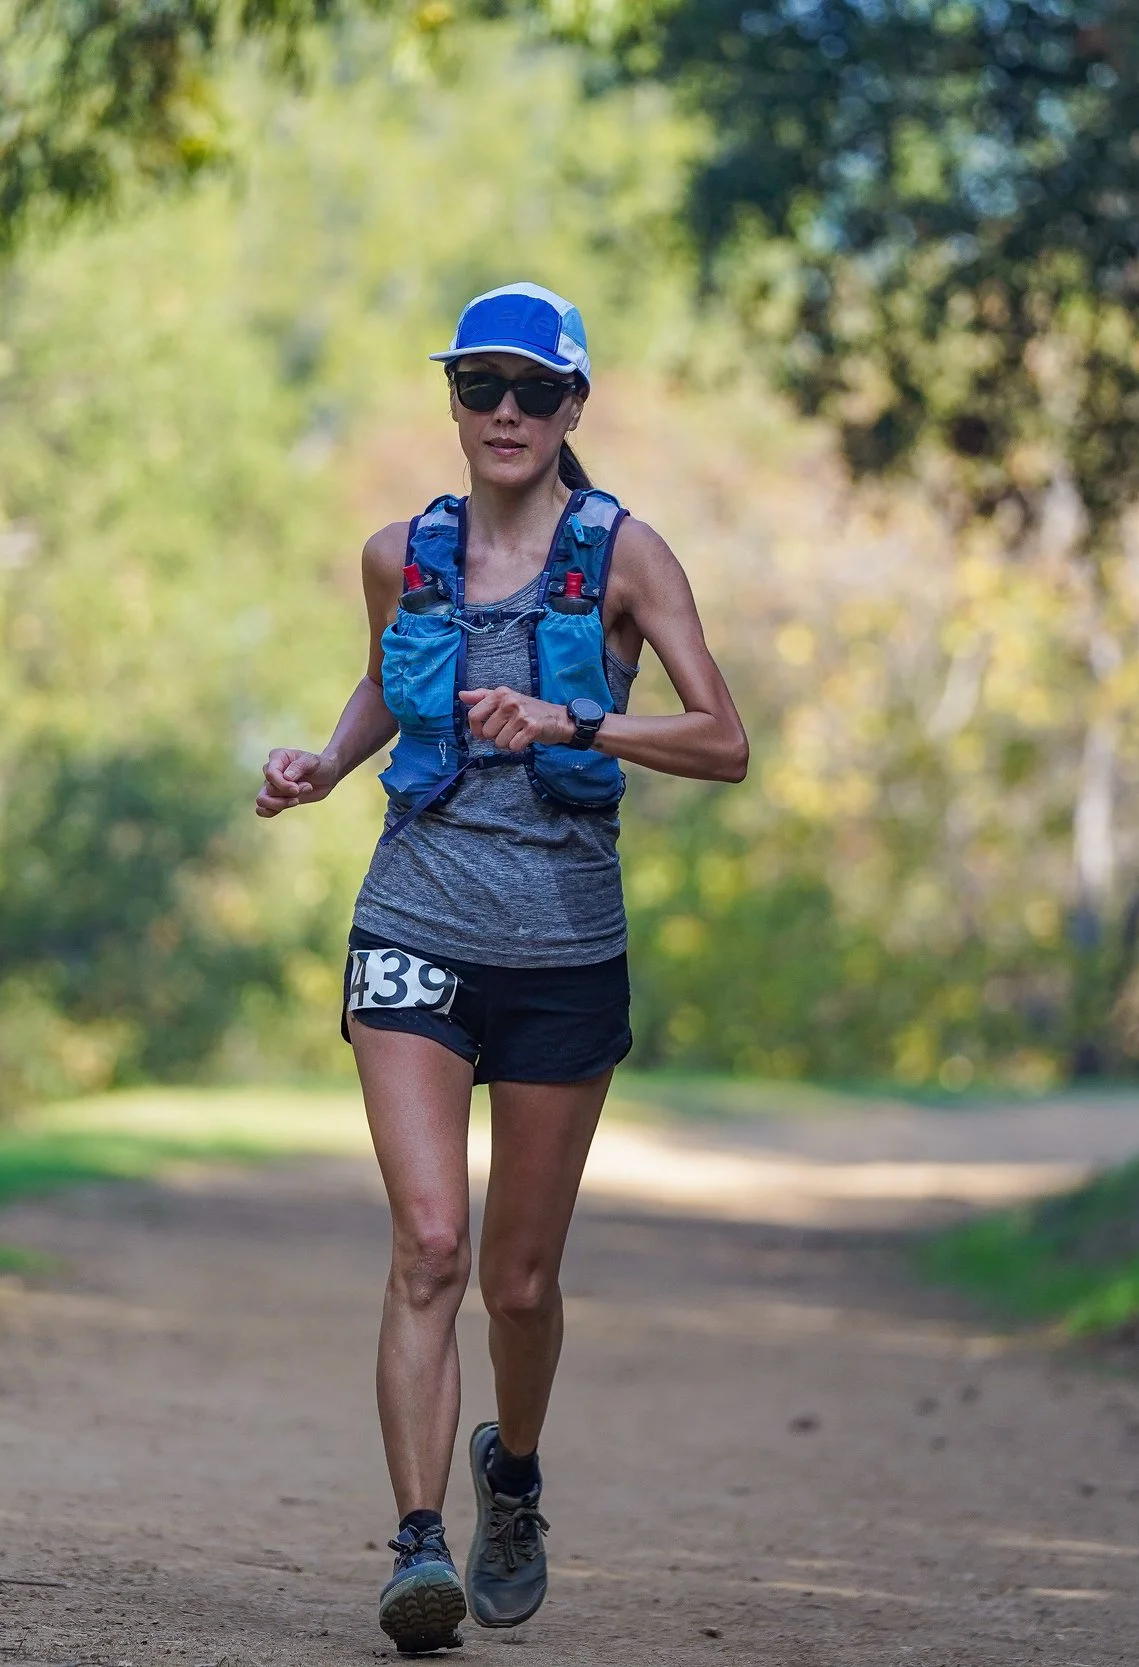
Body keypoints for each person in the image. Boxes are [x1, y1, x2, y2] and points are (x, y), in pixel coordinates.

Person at [254, 283, 749, 1653]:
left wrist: (575, 715)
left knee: (518, 1283)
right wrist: (320, 764)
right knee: (429, 1245)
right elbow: (378, 684)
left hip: (566, 951)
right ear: (456, 404)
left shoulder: (626, 555)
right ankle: (416, 1543)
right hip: (413, 919)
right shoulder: (400, 553)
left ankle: (510, 1481)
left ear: (574, 406)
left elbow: (723, 738)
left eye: (536, 391)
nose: (508, 413)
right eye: (482, 387)